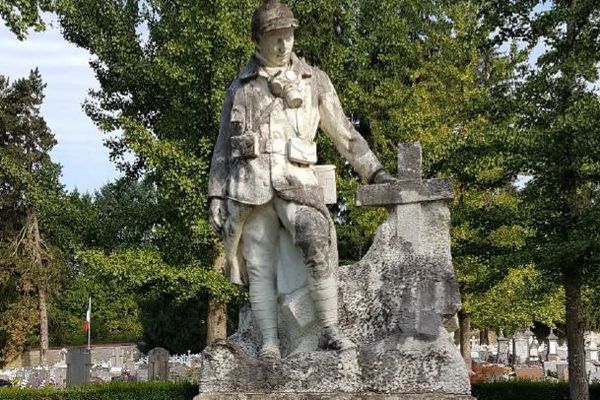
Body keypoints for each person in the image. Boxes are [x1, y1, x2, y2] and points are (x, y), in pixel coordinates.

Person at [208, 0, 395, 360]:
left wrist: (375, 172)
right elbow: (222, 148)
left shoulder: (314, 80)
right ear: (258, 41)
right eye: (275, 37)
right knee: (259, 265)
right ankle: (268, 342)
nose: (283, 45)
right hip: (251, 186)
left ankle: (329, 330)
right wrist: (216, 196)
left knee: (316, 239)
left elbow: (345, 135)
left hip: (298, 182)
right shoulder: (241, 88)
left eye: (288, 36)